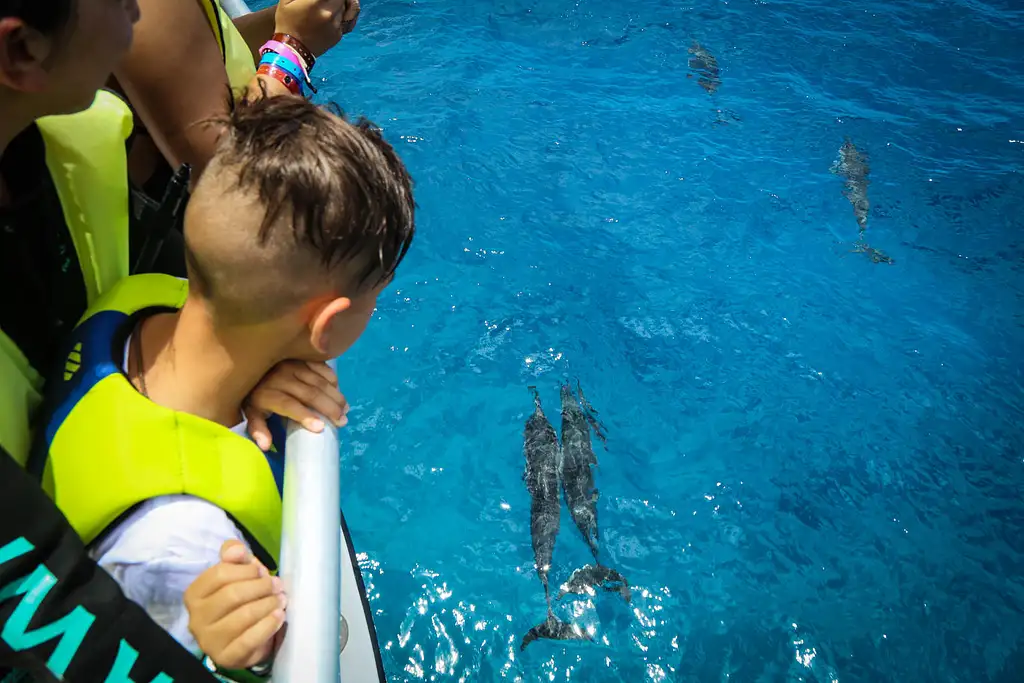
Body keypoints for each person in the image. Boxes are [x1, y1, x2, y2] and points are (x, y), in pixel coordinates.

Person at [0, 2, 344, 678]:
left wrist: (240, 360)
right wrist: (200, 645)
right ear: (21, 54)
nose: (137, 8)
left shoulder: (55, 141)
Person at [28, 93, 415, 677]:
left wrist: (255, 377)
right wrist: (230, 656)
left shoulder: (139, 302)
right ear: (328, 325)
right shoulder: (179, 543)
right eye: (375, 297)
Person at [118, 0, 360, 277]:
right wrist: (293, 47)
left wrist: (291, 20)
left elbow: (200, 47)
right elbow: (229, 177)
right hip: (183, 258)